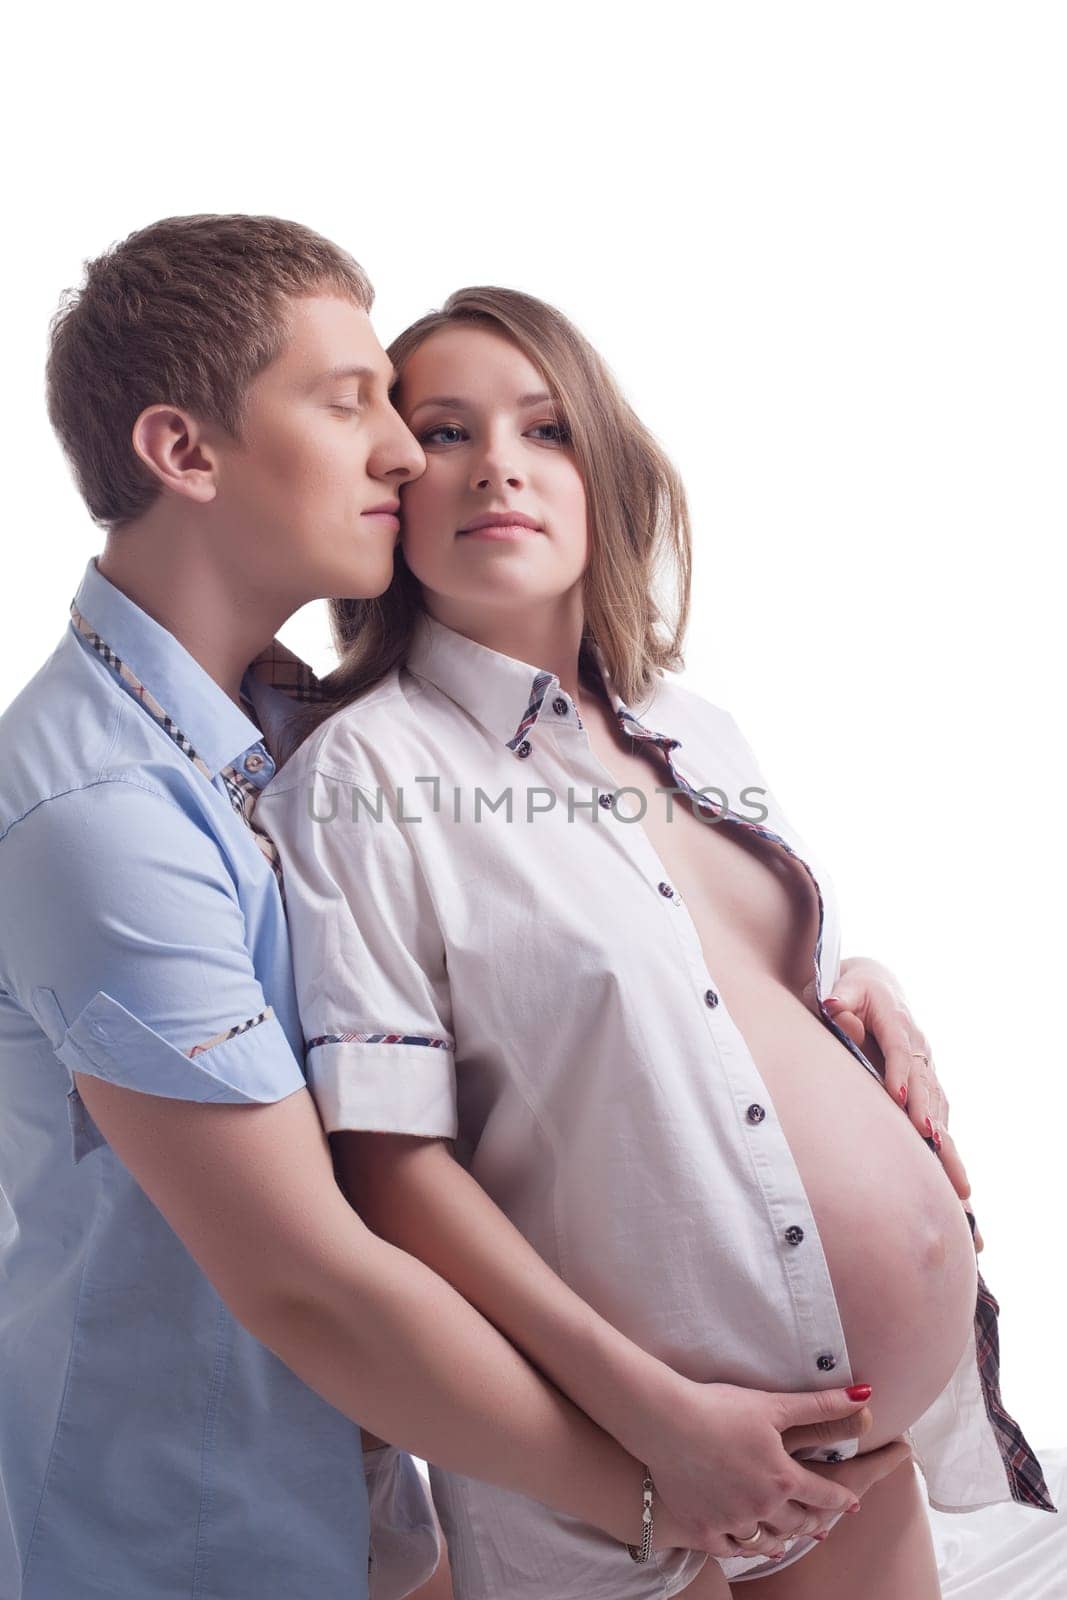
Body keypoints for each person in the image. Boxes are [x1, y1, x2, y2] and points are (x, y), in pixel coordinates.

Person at [0, 217, 894, 1600]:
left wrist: (831, 1001)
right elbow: (311, 1278)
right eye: (352, 403)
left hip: (372, 1517)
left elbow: (573, 965)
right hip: (182, 1548)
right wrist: (661, 1493)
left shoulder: (284, 726)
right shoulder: (103, 816)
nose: (409, 457)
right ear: (185, 454)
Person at [255, 286, 1055, 1599]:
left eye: (547, 428)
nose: (500, 464)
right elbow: (392, 1168)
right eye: (445, 431)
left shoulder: (694, 726)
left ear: (603, 472)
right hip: (633, 1480)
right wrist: (656, 1424)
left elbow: (739, 1002)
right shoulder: (364, 776)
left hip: (863, 1447)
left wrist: (869, 988)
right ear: (388, 492)